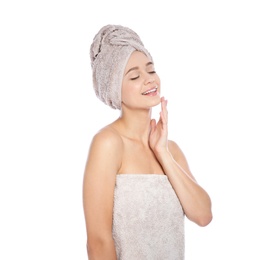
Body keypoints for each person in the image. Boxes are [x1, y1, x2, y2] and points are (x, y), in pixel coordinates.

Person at [83, 24, 212, 260]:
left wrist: (162, 153)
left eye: (151, 70)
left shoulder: (171, 149)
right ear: (114, 89)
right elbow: (98, 242)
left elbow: (203, 215)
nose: (149, 80)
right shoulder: (108, 143)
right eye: (134, 75)